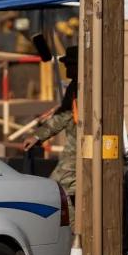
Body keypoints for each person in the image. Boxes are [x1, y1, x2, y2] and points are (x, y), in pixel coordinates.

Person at [23, 46, 78, 200]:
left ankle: (69, 224)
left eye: (69, 64)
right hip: (77, 147)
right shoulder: (75, 86)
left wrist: (38, 136)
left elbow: (63, 116)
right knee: (67, 193)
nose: (66, 67)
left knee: (55, 190)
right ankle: (74, 223)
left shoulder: (83, 88)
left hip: (80, 149)